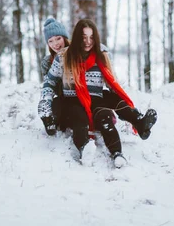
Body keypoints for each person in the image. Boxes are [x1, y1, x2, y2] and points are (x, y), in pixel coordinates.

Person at [38, 19, 157, 168]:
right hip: (71, 99)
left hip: (95, 98)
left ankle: (130, 136)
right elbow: (49, 82)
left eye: (91, 37)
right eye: (84, 37)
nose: (88, 41)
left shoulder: (101, 55)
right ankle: (83, 148)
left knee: (108, 109)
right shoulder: (63, 56)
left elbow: (111, 82)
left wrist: (121, 98)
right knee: (78, 118)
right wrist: (46, 101)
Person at [40, 17, 70, 135]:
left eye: (58, 38)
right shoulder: (47, 62)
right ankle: (49, 120)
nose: (55, 44)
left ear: (65, 38)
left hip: (80, 95)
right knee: (56, 104)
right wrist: (46, 100)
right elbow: (49, 84)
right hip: (62, 96)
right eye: (50, 41)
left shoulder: (76, 54)